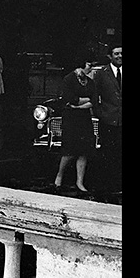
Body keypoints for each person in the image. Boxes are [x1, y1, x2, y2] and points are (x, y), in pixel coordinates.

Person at [53, 54, 97, 195]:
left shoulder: (90, 82)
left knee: (84, 151)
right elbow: (70, 98)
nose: (91, 68)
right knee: (69, 150)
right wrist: (83, 100)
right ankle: (59, 176)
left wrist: (79, 104)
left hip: (84, 118)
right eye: (89, 65)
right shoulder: (69, 79)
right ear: (82, 64)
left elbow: (93, 100)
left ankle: (80, 182)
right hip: (71, 119)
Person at [93, 44, 122, 195]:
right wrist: (100, 114)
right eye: (116, 53)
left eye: (122, 53)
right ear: (110, 56)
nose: (119, 56)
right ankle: (106, 187)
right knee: (107, 153)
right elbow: (95, 95)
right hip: (108, 120)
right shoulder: (102, 73)